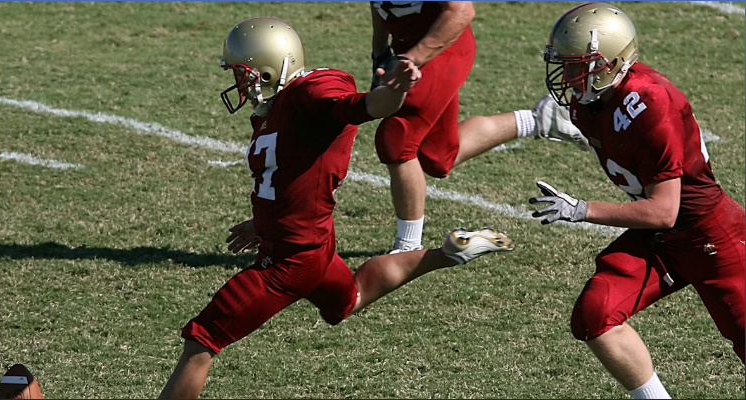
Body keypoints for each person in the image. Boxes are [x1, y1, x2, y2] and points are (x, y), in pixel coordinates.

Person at [159, 17, 515, 399]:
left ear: (268, 70)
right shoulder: (277, 108)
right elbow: (291, 174)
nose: (239, 83)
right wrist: (263, 221)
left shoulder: (311, 94)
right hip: (313, 246)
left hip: (289, 263)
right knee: (350, 300)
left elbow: (364, 106)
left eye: (244, 74)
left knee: (202, 340)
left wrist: (393, 92)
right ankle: (449, 252)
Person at [529, 3, 745, 399]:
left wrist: (582, 210)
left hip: (710, 235)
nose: (571, 76)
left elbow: (664, 211)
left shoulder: (650, 101)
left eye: (581, 66)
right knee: (595, 314)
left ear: (613, 61)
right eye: (567, 64)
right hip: (662, 239)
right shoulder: (589, 99)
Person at [369, 1, 588, 254]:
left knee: (397, 136)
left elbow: (462, 10)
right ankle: (542, 119)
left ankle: (408, 247)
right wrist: (380, 50)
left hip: (443, 47)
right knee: (438, 156)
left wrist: (412, 59)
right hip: (409, 49)